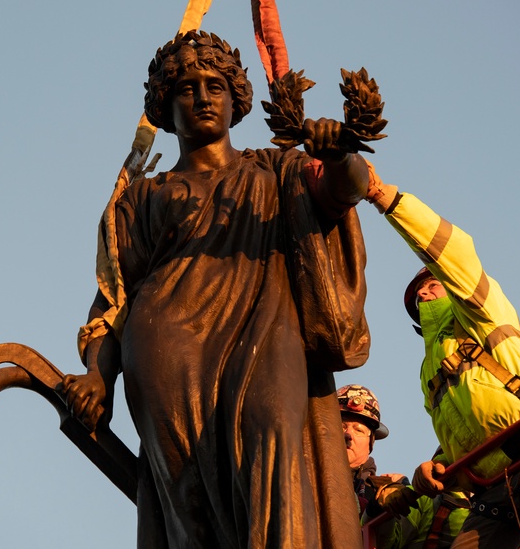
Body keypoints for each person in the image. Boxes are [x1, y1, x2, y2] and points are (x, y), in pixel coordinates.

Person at [62, 30, 372, 548]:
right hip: (165, 349)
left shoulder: (277, 169)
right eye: (187, 88)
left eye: (215, 85)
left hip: (266, 327)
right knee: (187, 495)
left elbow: (346, 192)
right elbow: (114, 301)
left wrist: (340, 155)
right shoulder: (140, 199)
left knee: (272, 433)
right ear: (166, 103)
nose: (203, 97)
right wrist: (98, 377)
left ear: (235, 98)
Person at [364, 171, 520, 549]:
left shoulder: (481, 315)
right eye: (417, 295)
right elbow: (464, 430)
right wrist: (432, 471)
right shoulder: (429, 371)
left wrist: (385, 197)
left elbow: (454, 254)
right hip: (490, 485)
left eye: (433, 285)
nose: (424, 295)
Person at [338, 384, 468, 549]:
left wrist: (379, 507)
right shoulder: (299, 478)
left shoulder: (385, 489)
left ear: (370, 444)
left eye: (359, 430)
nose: (348, 435)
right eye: (341, 426)